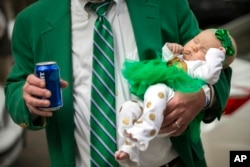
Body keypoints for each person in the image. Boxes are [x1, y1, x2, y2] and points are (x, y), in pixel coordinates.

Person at [4, 0, 235, 166]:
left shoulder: (169, 5)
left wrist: (203, 95)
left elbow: (221, 67)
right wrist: (28, 100)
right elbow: (15, 86)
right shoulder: (31, 21)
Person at [115, 28, 236, 167]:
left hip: (167, 110)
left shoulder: (198, 68)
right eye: (195, 40)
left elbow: (211, 75)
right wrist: (169, 49)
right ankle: (128, 147)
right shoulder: (179, 57)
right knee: (128, 108)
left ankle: (147, 127)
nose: (195, 46)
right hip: (150, 106)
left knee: (158, 89)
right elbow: (163, 62)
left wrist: (217, 56)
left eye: (203, 50)